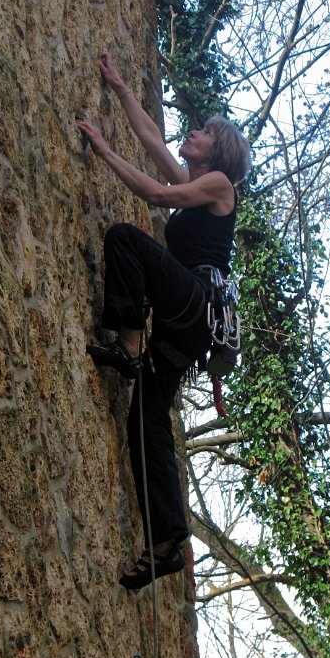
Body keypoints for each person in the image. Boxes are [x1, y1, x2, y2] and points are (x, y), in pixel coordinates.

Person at [77, 53, 250, 590]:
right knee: (145, 420)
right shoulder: (196, 187)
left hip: (194, 302)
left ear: (217, 150)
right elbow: (153, 141)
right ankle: (169, 541)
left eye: (203, 132)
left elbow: (154, 194)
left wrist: (104, 150)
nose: (192, 133)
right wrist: (121, 89)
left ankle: (128, 345)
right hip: (187, 327)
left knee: (126, 238)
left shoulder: (219, 184)